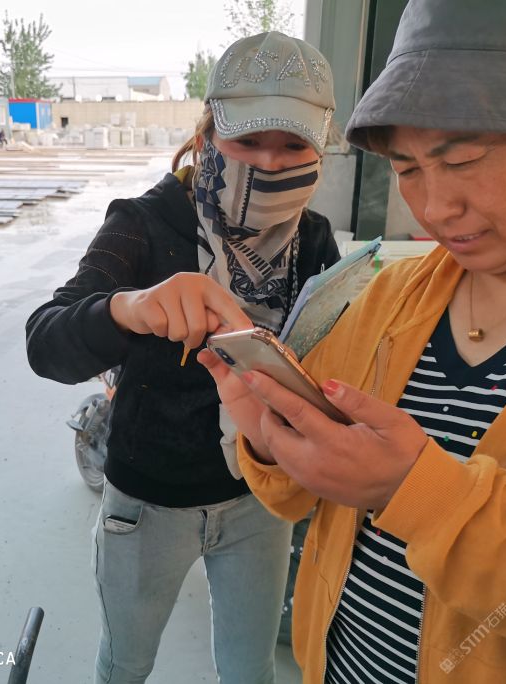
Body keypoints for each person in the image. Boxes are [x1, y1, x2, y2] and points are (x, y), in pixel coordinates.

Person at [201, 1, 506, 682]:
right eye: (408, 169)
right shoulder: (390, 297)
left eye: (464, 159)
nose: (435, 208)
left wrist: (417, 493)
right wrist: (274, 440)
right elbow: (303, 501)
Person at [27, 32, 340, 684]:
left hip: (259, 496)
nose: (271, 162)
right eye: (248, 140)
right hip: (147, 504)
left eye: (293, 145)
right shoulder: (143, 223)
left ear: (321, 149)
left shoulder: (312, 238)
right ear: (207, 137)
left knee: (249, 670)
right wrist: (129, 308)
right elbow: (46, 341)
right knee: (126, 663)